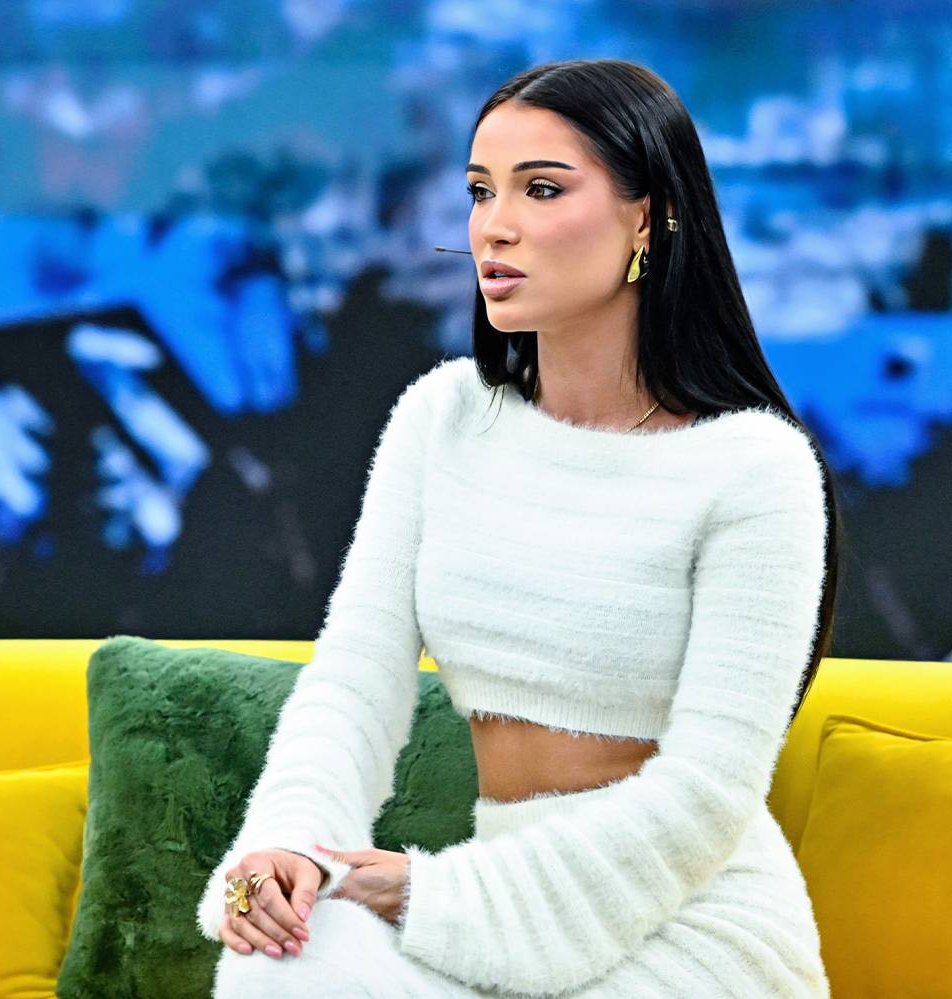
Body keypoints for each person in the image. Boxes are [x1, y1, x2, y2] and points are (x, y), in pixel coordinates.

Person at [198, 57, 844, 997]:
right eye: (479, 190)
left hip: (684, 930)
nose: (493, 225)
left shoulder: (755, 466)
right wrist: (285, 847)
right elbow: (352, 685)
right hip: (486, 920)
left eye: (541, 189)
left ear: (650, 217)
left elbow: (707, 794)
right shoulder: (441, 418)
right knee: (282, 954)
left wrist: (429, 890)